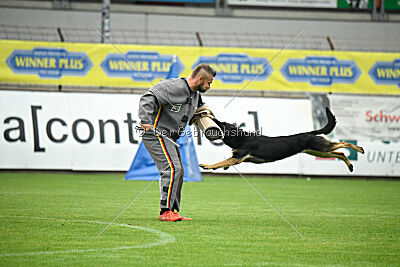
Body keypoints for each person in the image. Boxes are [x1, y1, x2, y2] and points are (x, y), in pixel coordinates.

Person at [138, 64, 216, 222]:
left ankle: (173, 210)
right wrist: (145, 119)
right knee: (172, 169)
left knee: (179, 172)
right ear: (200, 79)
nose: (209, 86)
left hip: (170, 138)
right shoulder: (171, 87)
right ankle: (165, 211)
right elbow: (147, 98)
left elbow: (199, 110)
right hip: (156, 134)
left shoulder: (195, 94)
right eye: (209, 82)